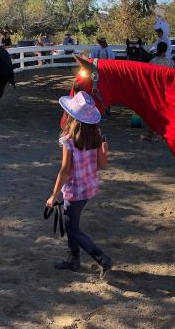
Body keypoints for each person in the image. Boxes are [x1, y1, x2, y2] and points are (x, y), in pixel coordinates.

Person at [45, 91, 112, 278]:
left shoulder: (69, 141)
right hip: (88, 188)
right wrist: (105, 151)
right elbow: (102, 165)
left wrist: (53, 195)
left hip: (74, 191)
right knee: (71, 225)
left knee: (72, 229)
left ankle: (102, 259)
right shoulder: (96, 135)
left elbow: (65, 171)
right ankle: (73, 260)